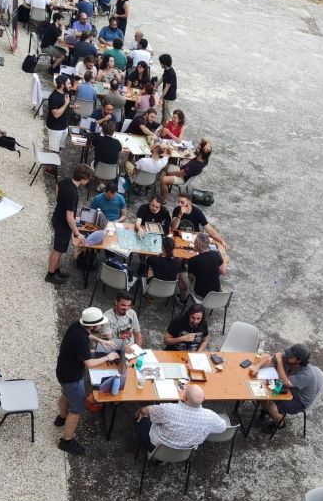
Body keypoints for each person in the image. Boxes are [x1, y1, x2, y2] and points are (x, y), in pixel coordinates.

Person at [55, 308, 120, 455]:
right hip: (72, 378)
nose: (101, 326)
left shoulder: (77, 325)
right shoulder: (81, 340)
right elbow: (89, 363)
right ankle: (67, 442)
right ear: (92, 325)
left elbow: (88, 335)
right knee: (76, 410)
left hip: (62, 371)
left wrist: (100, 340)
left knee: (66, 395)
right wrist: (108, 357)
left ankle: (61, 418)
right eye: (100, 324)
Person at [248, 344, 323, 431]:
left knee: (271, 407)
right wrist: (257, 367)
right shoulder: (289, 358)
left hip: (299, 399)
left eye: (291, 356)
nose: (287, 355)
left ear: (298, 360)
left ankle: (279, 424)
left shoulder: (306, 374)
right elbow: (269, 359)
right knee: (262, 391)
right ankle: (265, 412)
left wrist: (279, 362)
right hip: (287, 388)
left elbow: (286, 382)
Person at [134, 383, 227, 451]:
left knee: (139, 418)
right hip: (186, 452)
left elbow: (147, 410)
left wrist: (141, 410)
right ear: (204, 399)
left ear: (185, 398)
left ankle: (157, 457)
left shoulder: (169, 409)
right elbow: (222, 427)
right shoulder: (210, 416)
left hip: (157, 447)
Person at [45, 164, 94, 286]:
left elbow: (57, 186)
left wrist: (59, 201)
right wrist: (77, 233)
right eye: (88, 179)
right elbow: (69, 217)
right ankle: (50, 275)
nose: (88, 181)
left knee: (60, 249)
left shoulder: (66, 181)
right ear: (83, 178)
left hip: (57, 218)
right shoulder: (73, 194)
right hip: (63, 224)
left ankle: (57, 270)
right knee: (57, 250)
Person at [183, 232, 226, 299]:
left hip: (200, 293)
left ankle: (182, 299)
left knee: (181, 274)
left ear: (198, 246)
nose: (193, 245)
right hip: (215, 292)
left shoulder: (193, 260)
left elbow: (191, 278)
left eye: (194, 243)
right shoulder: (216, 254)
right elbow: (220, 270)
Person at [46, 74, 73, 155]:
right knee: (54, 151)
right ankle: (51, 163)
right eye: (68, 83)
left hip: (64, 126)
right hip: (55, 128)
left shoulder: (65, 93)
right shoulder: (53, 97)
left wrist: (72, 106)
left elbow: (62, 106)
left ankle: (55, 161)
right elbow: (56, 114)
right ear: (62, 85)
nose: (70, 85)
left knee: (60, 147)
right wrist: (66, 104)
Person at [157, 53, 177, 124]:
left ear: (164, 63)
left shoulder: (171, 73)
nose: (160, 64)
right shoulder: (166, 70)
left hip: (169, 98)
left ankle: (167, 129)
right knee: (163, 113)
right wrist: (154, 87)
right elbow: (161, 79)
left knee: (167, 116)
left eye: (161, 63)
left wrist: (161, 98)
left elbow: (167, 87)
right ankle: (162, 127)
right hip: (166, 96)